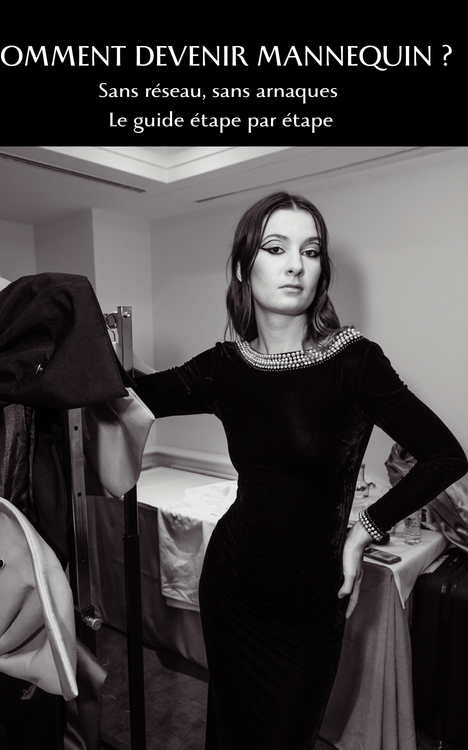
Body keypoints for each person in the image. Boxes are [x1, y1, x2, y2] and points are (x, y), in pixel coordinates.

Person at [132, 192, 467, 750]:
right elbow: (130, 393)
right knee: (230, 733)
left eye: (310, 251)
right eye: (275, 248)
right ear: (244, 269)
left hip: (311, 600)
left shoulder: (355, 361)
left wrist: (363, 533)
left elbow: (445, 455)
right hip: (233, 585)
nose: (295, 264)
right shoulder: (224, 367)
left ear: (321, 271)